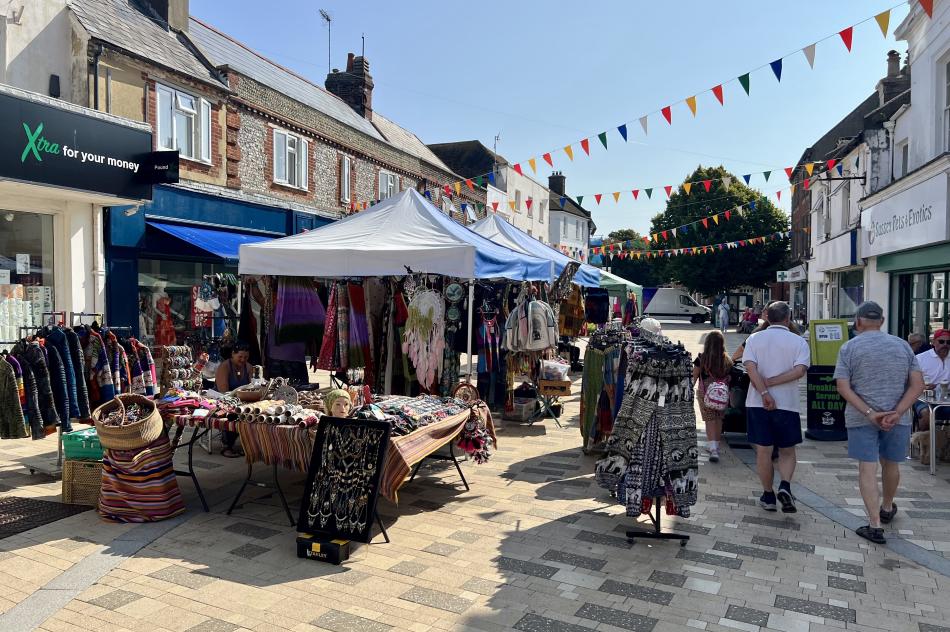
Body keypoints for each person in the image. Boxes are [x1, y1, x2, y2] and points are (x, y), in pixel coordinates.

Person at [834, 302, 923, 544]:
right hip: (898, 417)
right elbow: (918, 385)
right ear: (882, 321)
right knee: (892, 464)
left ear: (858, 321)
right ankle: (886, 506)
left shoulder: (849, 348)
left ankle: (874, 524)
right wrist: (897, 411)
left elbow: (843, 386)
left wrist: (869, 412)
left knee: (867, 467)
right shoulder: (902, 346)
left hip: (862, 417)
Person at [742, 301, 810, 513]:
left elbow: (751, 369)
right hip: (787, 404)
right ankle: (785, 485)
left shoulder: (754, 338)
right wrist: (773, 383)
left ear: (767, 317)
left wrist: (764, 391)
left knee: (764, 451)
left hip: (757, 402)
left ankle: (768, 495)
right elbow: (799, 371)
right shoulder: (798, 342)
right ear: (788, 318)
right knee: (787, 451)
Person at [693, 330, 733, 463]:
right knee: (719, 419)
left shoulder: (701, 358)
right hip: (722, 394)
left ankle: (712, 448)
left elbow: (694, 377)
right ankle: (716, 446)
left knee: (709, 419)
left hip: (705, 394)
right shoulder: (727, 360)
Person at [215, 342, 251, 457]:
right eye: (240, 356)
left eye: (245, 357)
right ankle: (227, 447)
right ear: (232, 355)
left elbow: (253, 387)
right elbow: (223, 391)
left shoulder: (249, 367)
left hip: (241, 400)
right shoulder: (225, 367)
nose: (243, 360)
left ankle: (250, 445)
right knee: (232, 413)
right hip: (223, 399)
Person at [913, 329, 950, 431]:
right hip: (923, 398)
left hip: (946, 399)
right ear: (933, 342)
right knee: (926, 415)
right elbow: (909, 381)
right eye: (941, 341)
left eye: (948, 342)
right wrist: (923, 386)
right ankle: (924, 444)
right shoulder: (920, 358)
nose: (945, 344)